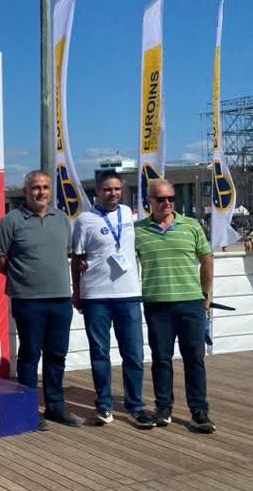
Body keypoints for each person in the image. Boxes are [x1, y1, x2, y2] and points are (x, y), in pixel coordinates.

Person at [0, 170, 80, 429]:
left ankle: (55, 406)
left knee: (57, 355)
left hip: (60, 298)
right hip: (28, 300)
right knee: (30, 355)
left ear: (51, 191)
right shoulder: (11, 221)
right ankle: (27, 408)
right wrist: (20, 276)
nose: (41, 192)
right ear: (26, 191)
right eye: (35, 188)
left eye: (45, 187)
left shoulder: (61, 219)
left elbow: (66, 253)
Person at [70, 171, 156, 429]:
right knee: (100, 353)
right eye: (107, 189)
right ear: (98, 191)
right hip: (96, 296)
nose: (113, 193)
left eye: (117, 189)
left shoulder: (129, 215)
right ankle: (104, 405)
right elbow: (76, 258)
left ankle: (136, 406)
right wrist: (77, 292)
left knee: (134, 353)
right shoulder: (84, 220)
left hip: (128, 295)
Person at [135, 178, 216, 433]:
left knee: (194, 359)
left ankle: (199, 412)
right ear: (150, 201)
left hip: (191, 303)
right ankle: (163, 408)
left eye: (171, 198)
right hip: (157, 304)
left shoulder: (191, 226)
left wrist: (206, 295)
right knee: (161, 359)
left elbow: (207, 260)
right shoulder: (137, 231)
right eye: (161, 199)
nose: (167, 203)